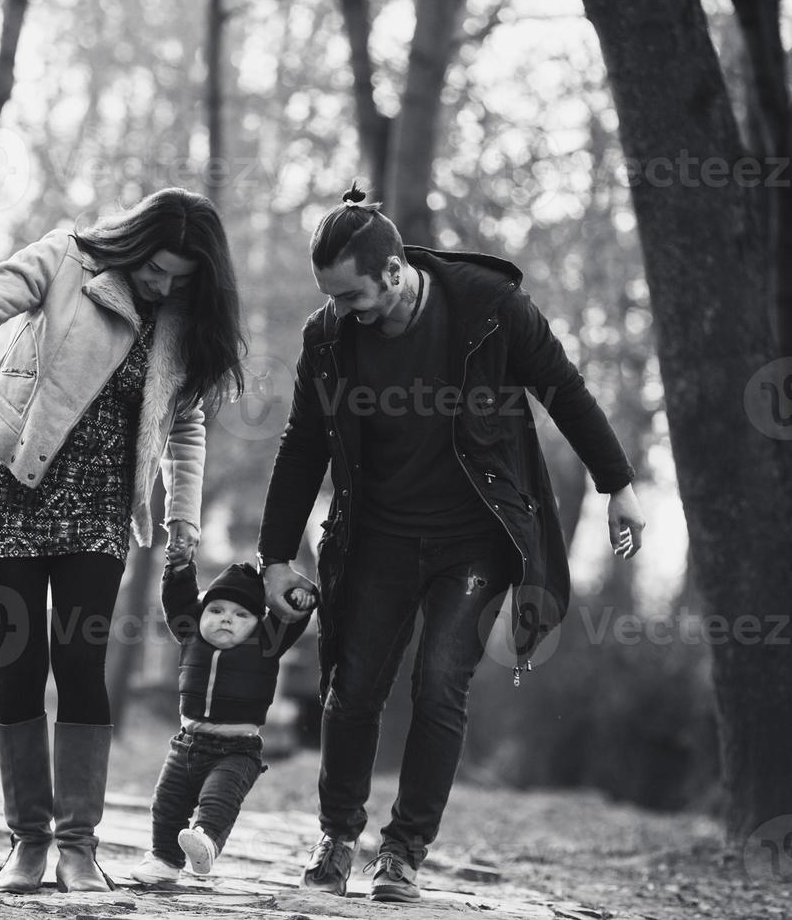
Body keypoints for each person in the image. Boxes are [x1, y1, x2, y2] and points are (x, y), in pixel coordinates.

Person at [257, 186, 646, 903]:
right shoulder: (329, 337)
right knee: (352, 691)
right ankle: (338, 836)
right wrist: (275, 554)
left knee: (439, 682)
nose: (344, 313)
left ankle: (403, 853)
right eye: (332, 299)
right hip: (377, 536)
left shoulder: (490, 311)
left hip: (473, 539)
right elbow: (303, 442)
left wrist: (617, 482)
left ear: (396, 270)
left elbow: (562, 388)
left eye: (353, 295)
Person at [0, 188, 247, 893]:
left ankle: (77, 845)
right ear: (135, 244)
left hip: (100, 510)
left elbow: (185, 422)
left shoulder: (181, 319)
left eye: (181, 278)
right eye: (157, 269)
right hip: (11, 485)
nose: (163, 285)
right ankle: (28, 843)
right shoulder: (65, 259)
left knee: (80, 663)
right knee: (20, 662)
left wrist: (183, 520)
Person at [129, 561, 315, 884]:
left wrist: (299, 597)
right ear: (200, 614)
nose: (227, 618)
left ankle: (206, 841)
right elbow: (177, 599)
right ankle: (163, 859)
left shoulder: (265, 643)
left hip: (237, 750)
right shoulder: (190, 634)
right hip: (187, 744)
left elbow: (290, 618)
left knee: (218, 799)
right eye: (216, 610)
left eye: (241, 615)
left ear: (258, 623)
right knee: (166, 803)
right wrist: (179, 568)